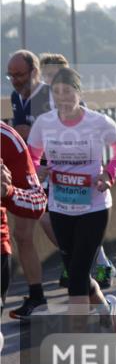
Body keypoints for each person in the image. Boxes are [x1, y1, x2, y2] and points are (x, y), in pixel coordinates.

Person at [26, 67, 116, 327]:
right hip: (60, 206)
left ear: (79, 92)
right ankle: (105, 308)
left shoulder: (97, 122)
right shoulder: (44, 123)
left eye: (68, 91)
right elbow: (31, 155)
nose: (62, 97)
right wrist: (38, 168)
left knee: (76, 274)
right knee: (78, 271)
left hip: (93, 207)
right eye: (57, 92)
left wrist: (109, 174)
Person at [6, 50, 50, 310]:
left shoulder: (51, 95)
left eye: (20, 75)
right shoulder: (16, 98)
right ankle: (37, 296)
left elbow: (68, 131)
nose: (15, 80)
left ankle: (88, 274)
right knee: (22, 234)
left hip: (54, 171)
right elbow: (21, 137)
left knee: (55, 226)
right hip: (30, 173)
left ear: (35, 71)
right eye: (11, 76)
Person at [1, 122, 47, 310]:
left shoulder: (6, 138)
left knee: (25, 236)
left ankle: (83, 280)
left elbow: (38, 200)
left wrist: (8, 192)